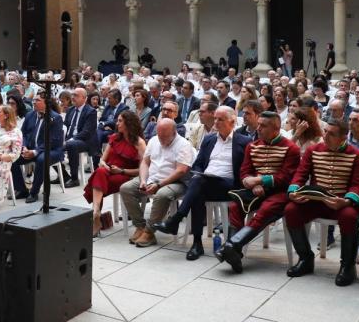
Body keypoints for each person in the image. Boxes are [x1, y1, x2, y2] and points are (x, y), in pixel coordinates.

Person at [152, 106, 253, 260]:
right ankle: (197, 244)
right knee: (197, 188)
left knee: (198, 183)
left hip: (231, 185)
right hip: (207, 182)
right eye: (215, 119)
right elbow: (198, 164)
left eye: (220, 119)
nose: (216, 122)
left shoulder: (244, 141)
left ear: (232, 122)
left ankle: (176, 220)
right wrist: (199, 174)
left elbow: (247, 169)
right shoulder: (210, 139)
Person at [284, 118, 359, 286]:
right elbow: (301, 174)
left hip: (340, 202)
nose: (326, 136)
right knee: (290, 210)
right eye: (325, 131)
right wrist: (293, 192)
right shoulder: (313, 150)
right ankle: (306, 258)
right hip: (315, 201)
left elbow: (358, 186)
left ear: (344, 136)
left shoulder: (357, 155)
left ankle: (347, 266)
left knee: (350, 217)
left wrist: (345, 201)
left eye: (332, 134)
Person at [217, 111, 300, 273]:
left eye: (263, 126)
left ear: (276, 128)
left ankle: (231, 245)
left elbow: (286, 176)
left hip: (280, 192)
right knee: (234, 206)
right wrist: (251, 183)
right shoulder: (253, 146)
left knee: (266, 210)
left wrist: (261, 180)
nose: (258, 128)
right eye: (259, 124)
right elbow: (244, 172)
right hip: (255, 191)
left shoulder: (291, 148)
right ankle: (234, 251)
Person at [121, 118, 194, 248]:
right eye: (159, 135)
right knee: (126, 188)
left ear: (174, 133)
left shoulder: (183, 145)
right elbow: (145, 162)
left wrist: (159, 184)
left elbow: (181, 171)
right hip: (152, 177)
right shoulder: (154, 140)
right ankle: (140, 226)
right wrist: (143, 180)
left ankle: (149, 231)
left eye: (164, 136)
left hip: (175, 181)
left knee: (162, 195)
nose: (161, 139)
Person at [84, 110, 145, 237]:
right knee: (100, 171)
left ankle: (95, 214)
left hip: (125, 175)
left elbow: (143, 169)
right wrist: (103, 164)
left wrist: (121, 170)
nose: (117, 124)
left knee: (98, 179)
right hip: (108, 172)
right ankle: (96, 213)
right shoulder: (115, 138)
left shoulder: (139, 143)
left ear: (129, 123)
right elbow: (102, 159)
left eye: (120, 121)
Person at [11, 91, 65, 204]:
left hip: (52, 150)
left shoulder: (55, 118)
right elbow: (23, 134)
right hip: (30, 148)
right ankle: (21, 189)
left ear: (47, 103)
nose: (34, 102)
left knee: (41, 159)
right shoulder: (30, 114)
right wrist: (24, 147)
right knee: (12, 157)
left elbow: (52, 141)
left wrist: (35, 152)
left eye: (37, 100)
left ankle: (34, 192)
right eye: (34, 100)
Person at [62, 87, 98, 187]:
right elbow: (65, 126)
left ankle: (74, 179)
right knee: (51, 145)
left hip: (85, 141)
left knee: (71, 145)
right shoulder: (70, 110)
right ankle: (64, 175)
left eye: (76, 96)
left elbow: (86, 132)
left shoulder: (91, 111)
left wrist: (70, 140)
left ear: (84, 98)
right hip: (70, 139)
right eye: (72, 95)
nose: (72, 97)